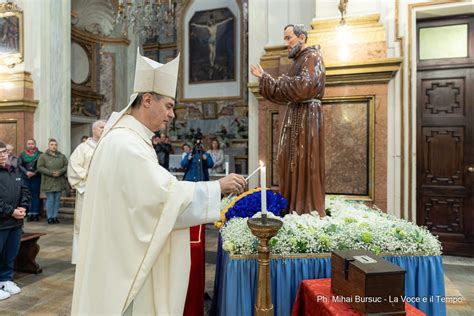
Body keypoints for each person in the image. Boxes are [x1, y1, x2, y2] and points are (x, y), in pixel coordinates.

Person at [71, 49, 245, 315]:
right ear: (148, 100)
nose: (172, 115)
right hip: (124, 265)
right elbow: (162, 197)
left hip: (120, 252)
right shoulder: (126, 143)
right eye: (169, 106)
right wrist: (217, 187)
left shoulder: (128, 137)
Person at [250, 23, 326, 217]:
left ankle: (306, 209)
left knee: (304, 162)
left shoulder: (312, 57)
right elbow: (283, 93)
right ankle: (293, 207)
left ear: (302, 38)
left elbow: (304, 87)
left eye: (288, 37)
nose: (286, 43)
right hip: (296, 115)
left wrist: (281, 80)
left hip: (307, 117)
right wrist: (264, 78)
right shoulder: (298, 61)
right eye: (285, 39)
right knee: (289, 161)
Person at [67, 119, 106, 264]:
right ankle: (83, 258)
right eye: (101, 127)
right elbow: (74, 167)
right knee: (86, 224)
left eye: (106, 127)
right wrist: (90, 180)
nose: (104, 129)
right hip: (88, 191)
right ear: (93, 130)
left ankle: (101, 256)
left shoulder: (108, 147)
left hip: (105, 192)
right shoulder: (83, 148)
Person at [0, 141, 30, 300]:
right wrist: (10, 211)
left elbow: (24, 190)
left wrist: (23, 207)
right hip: (2, 221)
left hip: (15, 221)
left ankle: (5, 279)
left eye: (4, 152)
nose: (2, 155)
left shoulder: (14, 170)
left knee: (10, 253)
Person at [37, 139, 68, 224]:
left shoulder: (62, 156)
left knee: (57, 199)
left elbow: (66, 166)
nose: (54, 146)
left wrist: (60, 171)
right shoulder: (43, 156)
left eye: (55, 145)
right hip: (48, 180)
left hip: (59, 180)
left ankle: (55, 216)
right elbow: (39, 167)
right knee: (50, 199)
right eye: (52, 144)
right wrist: (51, 173)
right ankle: (49, 217)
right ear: (48, 146)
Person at [18, 139, 42, 222]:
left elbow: (41, 165)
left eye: (32, 143)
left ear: (35, 144)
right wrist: (26, 172)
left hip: (36, 177)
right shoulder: (22, 154)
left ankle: (35, 213)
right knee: (27, 195)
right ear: (26, 145)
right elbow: (20, 165)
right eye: (29, 144)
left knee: (35, 195)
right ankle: (28, 213)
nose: (30, 145)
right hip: (26, 178)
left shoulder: (40, 154)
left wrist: (34, 173)